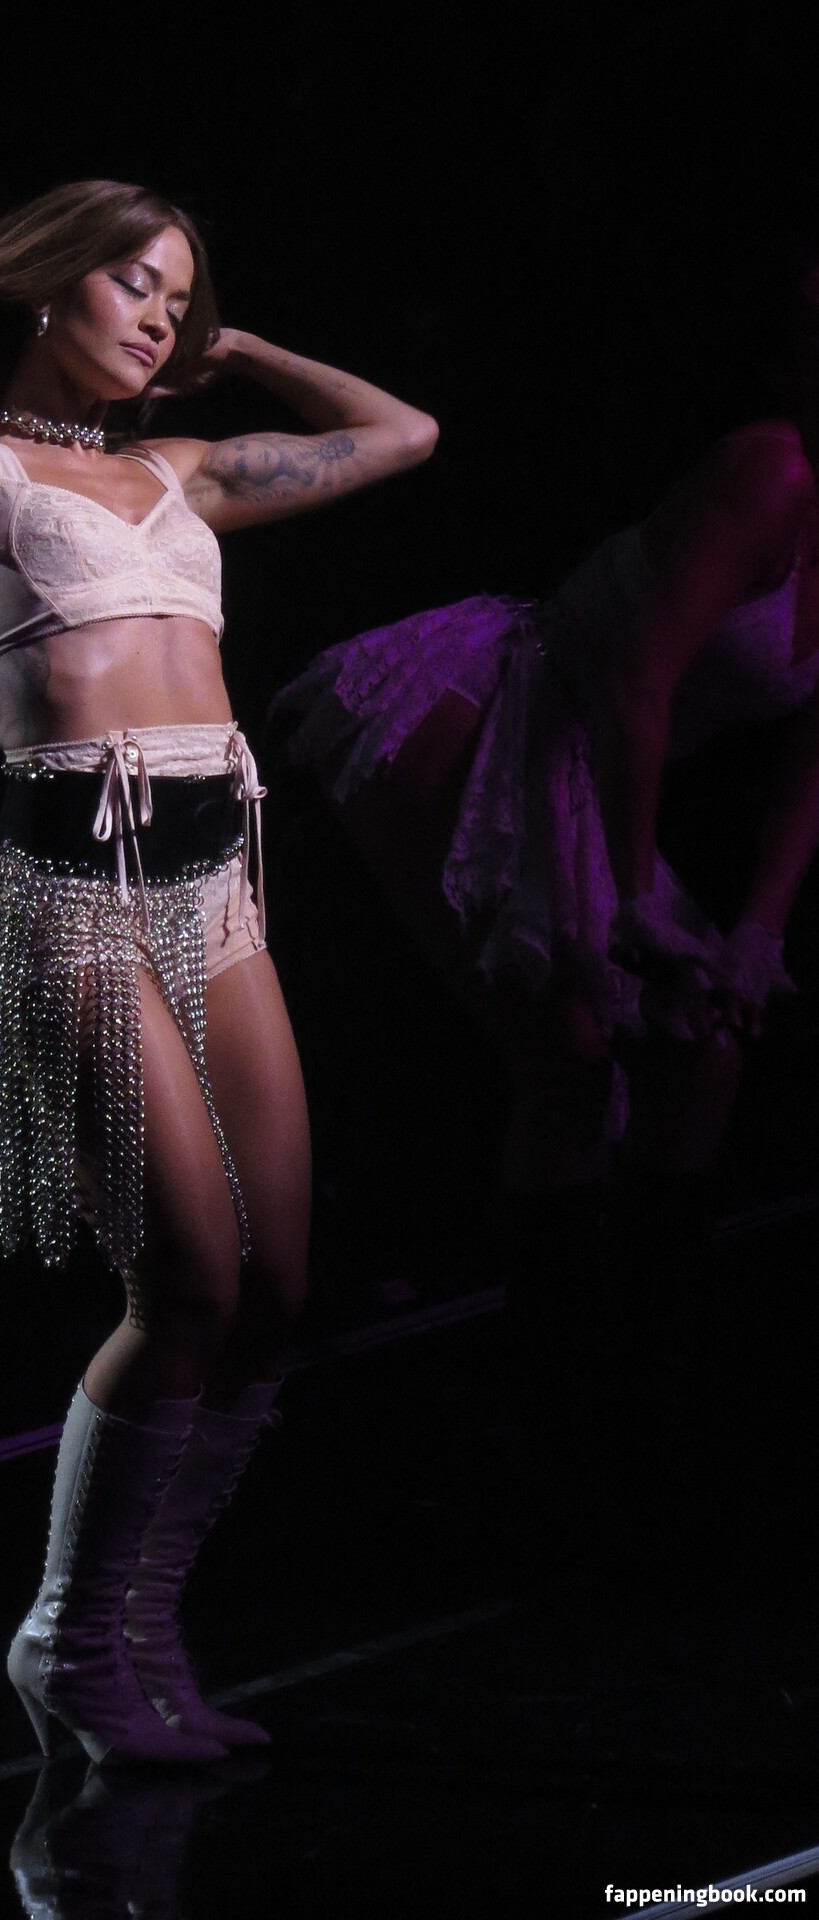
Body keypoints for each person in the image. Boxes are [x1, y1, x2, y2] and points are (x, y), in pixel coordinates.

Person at [0, 180, 437, 1764]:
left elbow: (402, 434)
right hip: (76, 888)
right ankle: (69, 1642)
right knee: (187, 1281)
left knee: (275, 1288)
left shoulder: (176, 471)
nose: (157, 317)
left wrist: (237, 348)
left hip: (216, 882)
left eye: (177, 297)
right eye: (133, 283)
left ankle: (139, 1630)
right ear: (50, 284)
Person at [271, 342, 819, 1508]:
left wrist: (761, 932)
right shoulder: (774, 472)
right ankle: (550, 1419)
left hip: (590, 766)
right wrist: (633, 901)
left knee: (708, 1052)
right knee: (569, 1052)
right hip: (494, 709)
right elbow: (636, 685)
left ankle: (644, 1394)